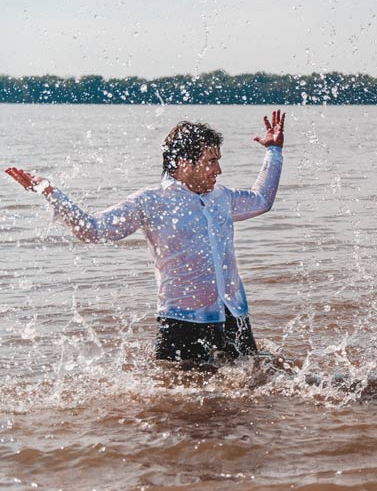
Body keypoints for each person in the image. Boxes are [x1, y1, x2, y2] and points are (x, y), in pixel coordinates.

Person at [5, 110, 286, 366]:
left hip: (234, 315)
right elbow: (92, 229)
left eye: (218, 161)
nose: (218, 170)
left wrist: (274, 151)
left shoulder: (222, 197)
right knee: (182, 405)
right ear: (183, 163)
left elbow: (262, 200)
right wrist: (50, 192)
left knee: (251, 394)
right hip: (182, 323)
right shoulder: (151, 202)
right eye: (211, 161)